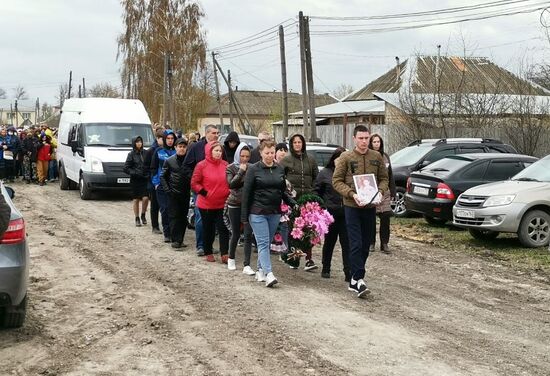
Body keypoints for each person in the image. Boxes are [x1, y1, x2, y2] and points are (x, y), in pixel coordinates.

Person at [332, 125, 389, 298]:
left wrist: (380, 191)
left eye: (367, 138)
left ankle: (354, 280)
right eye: (361, 138)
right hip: (352, 206)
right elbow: (336, 180)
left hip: (370, 207)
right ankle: (359, 279)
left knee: (365, 245)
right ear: (354, 138)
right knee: (355, 243)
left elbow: (384, 178)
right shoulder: (346, 157)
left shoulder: (376, 156)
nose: (364, 141)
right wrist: (351, 194)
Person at [241, 140, 297, 287]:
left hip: (274, 211)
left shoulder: (279, 168)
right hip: (257, 211)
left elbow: (282, 191)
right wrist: (244, 216)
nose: (270, 155)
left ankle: (260, 269)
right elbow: (246, 193)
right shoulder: (253, 169)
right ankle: (269, 273)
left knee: (266, 242)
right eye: (267, 153)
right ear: (260, 153)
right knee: (263, 242)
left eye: (272, 153)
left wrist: (292, 202)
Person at [280, 133, 319, 271]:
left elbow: (316, 179)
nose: (297, 144)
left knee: (309, 231)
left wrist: (313, 194)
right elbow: (281, 179)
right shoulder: (286, 160)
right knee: (293, 230)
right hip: (292, 201)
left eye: (299, 142)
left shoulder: (311, 160)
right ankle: (293, 258)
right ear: (291, 144)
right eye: (295, 142)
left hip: (307, 201)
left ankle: (309, 259)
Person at [183, 124, 222, 256]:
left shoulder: (219, 148)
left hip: (217, 191)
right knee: (200, 217)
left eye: (217, 133)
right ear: (206, 133)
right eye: (213, 133)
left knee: (214, 221)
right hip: (201, 190)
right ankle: (200, 245)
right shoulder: (196, 147)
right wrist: (197, 183)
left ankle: (209, 246)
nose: (216, 135)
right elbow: (186, 166)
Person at [314, 147, 351, 280]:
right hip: (330, 214)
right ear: (333, 160)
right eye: (338, 159)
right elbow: (317, 191)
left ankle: (348, 271)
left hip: (346, 213)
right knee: (330, 242)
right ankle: (326, 268)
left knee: (347, 243)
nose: (340, 162)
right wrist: (321, 207)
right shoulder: (325, 173)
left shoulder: (349, 174)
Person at [191, 141, 230, 263]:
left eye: (220, 151)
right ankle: (208, 251)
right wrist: (204, 193)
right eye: (216, 150)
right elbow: (194, 183)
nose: (219, 153)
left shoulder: (225, 165)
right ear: (209, 151)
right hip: (206, 204)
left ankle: (225, 253)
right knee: (209, 229)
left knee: (223, 228)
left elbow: (230, 180)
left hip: (222, 203)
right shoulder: (201, 165)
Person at [225, 142, 255, 274]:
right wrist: (241, 171)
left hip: (249, 204)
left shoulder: (253, 167)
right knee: (236, 233)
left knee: (248, 234)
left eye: (247, 156)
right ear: (238, 155)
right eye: (242, 156)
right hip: (235, 203)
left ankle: (247, 264)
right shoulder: (230, 168)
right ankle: (231, 258)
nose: (244, 159)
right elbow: (231, 184)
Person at [160, 138, 190, 249]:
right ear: (175, 147)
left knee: (183, 217)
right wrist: (167, 190)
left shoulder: (189, 160)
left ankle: (180, 239)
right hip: (173, 194)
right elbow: (163, 176)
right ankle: (175, 240)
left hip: (185, 193)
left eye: (184, 147)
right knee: (174, 217)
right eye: (180, 147)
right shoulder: (169, 161)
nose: (182, 149)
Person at [369, 134, 396, 254]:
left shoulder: (385, 156)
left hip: (384, 191)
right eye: (374, 142)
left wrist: (393, 190)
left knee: (385, 218)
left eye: (378, 142)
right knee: (370, 219)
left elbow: (390, 175)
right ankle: (371, 242)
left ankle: (384, 243)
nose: (376, 144)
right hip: (371, 191)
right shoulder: (368, 156)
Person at [151, 130, 176, 242]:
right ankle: (167, 233)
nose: (170, 141)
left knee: (173, 209)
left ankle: (174, 231)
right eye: (168, 139)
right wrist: (155, 183)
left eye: (172, 138)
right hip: (161, 185)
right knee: (164, 209)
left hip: (175, 185)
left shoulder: (178, 151)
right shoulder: (158, 151)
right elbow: (153, 168)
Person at [124, 136, 150, 227]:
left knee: (145, 198)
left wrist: (148, 173)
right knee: (135, 199)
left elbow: (149, 165)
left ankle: (143, 214)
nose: (139, 143)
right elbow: (126, 168)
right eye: (137, 142)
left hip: (144, 179)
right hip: (135, 180)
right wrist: (135, 172)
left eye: (140, 142)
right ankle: (137, 218)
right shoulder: (131, 154)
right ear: (134, 143)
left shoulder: (146, 153)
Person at [145, 129, 164, 234]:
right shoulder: (151, 151)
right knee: (155, 205)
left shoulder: (166, 150)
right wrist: (152, 179)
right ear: (157, 139)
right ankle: (155, 226)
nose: (164, 140)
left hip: (163, 182)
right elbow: (146, 167)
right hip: (153, 182)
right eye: (162, 138)